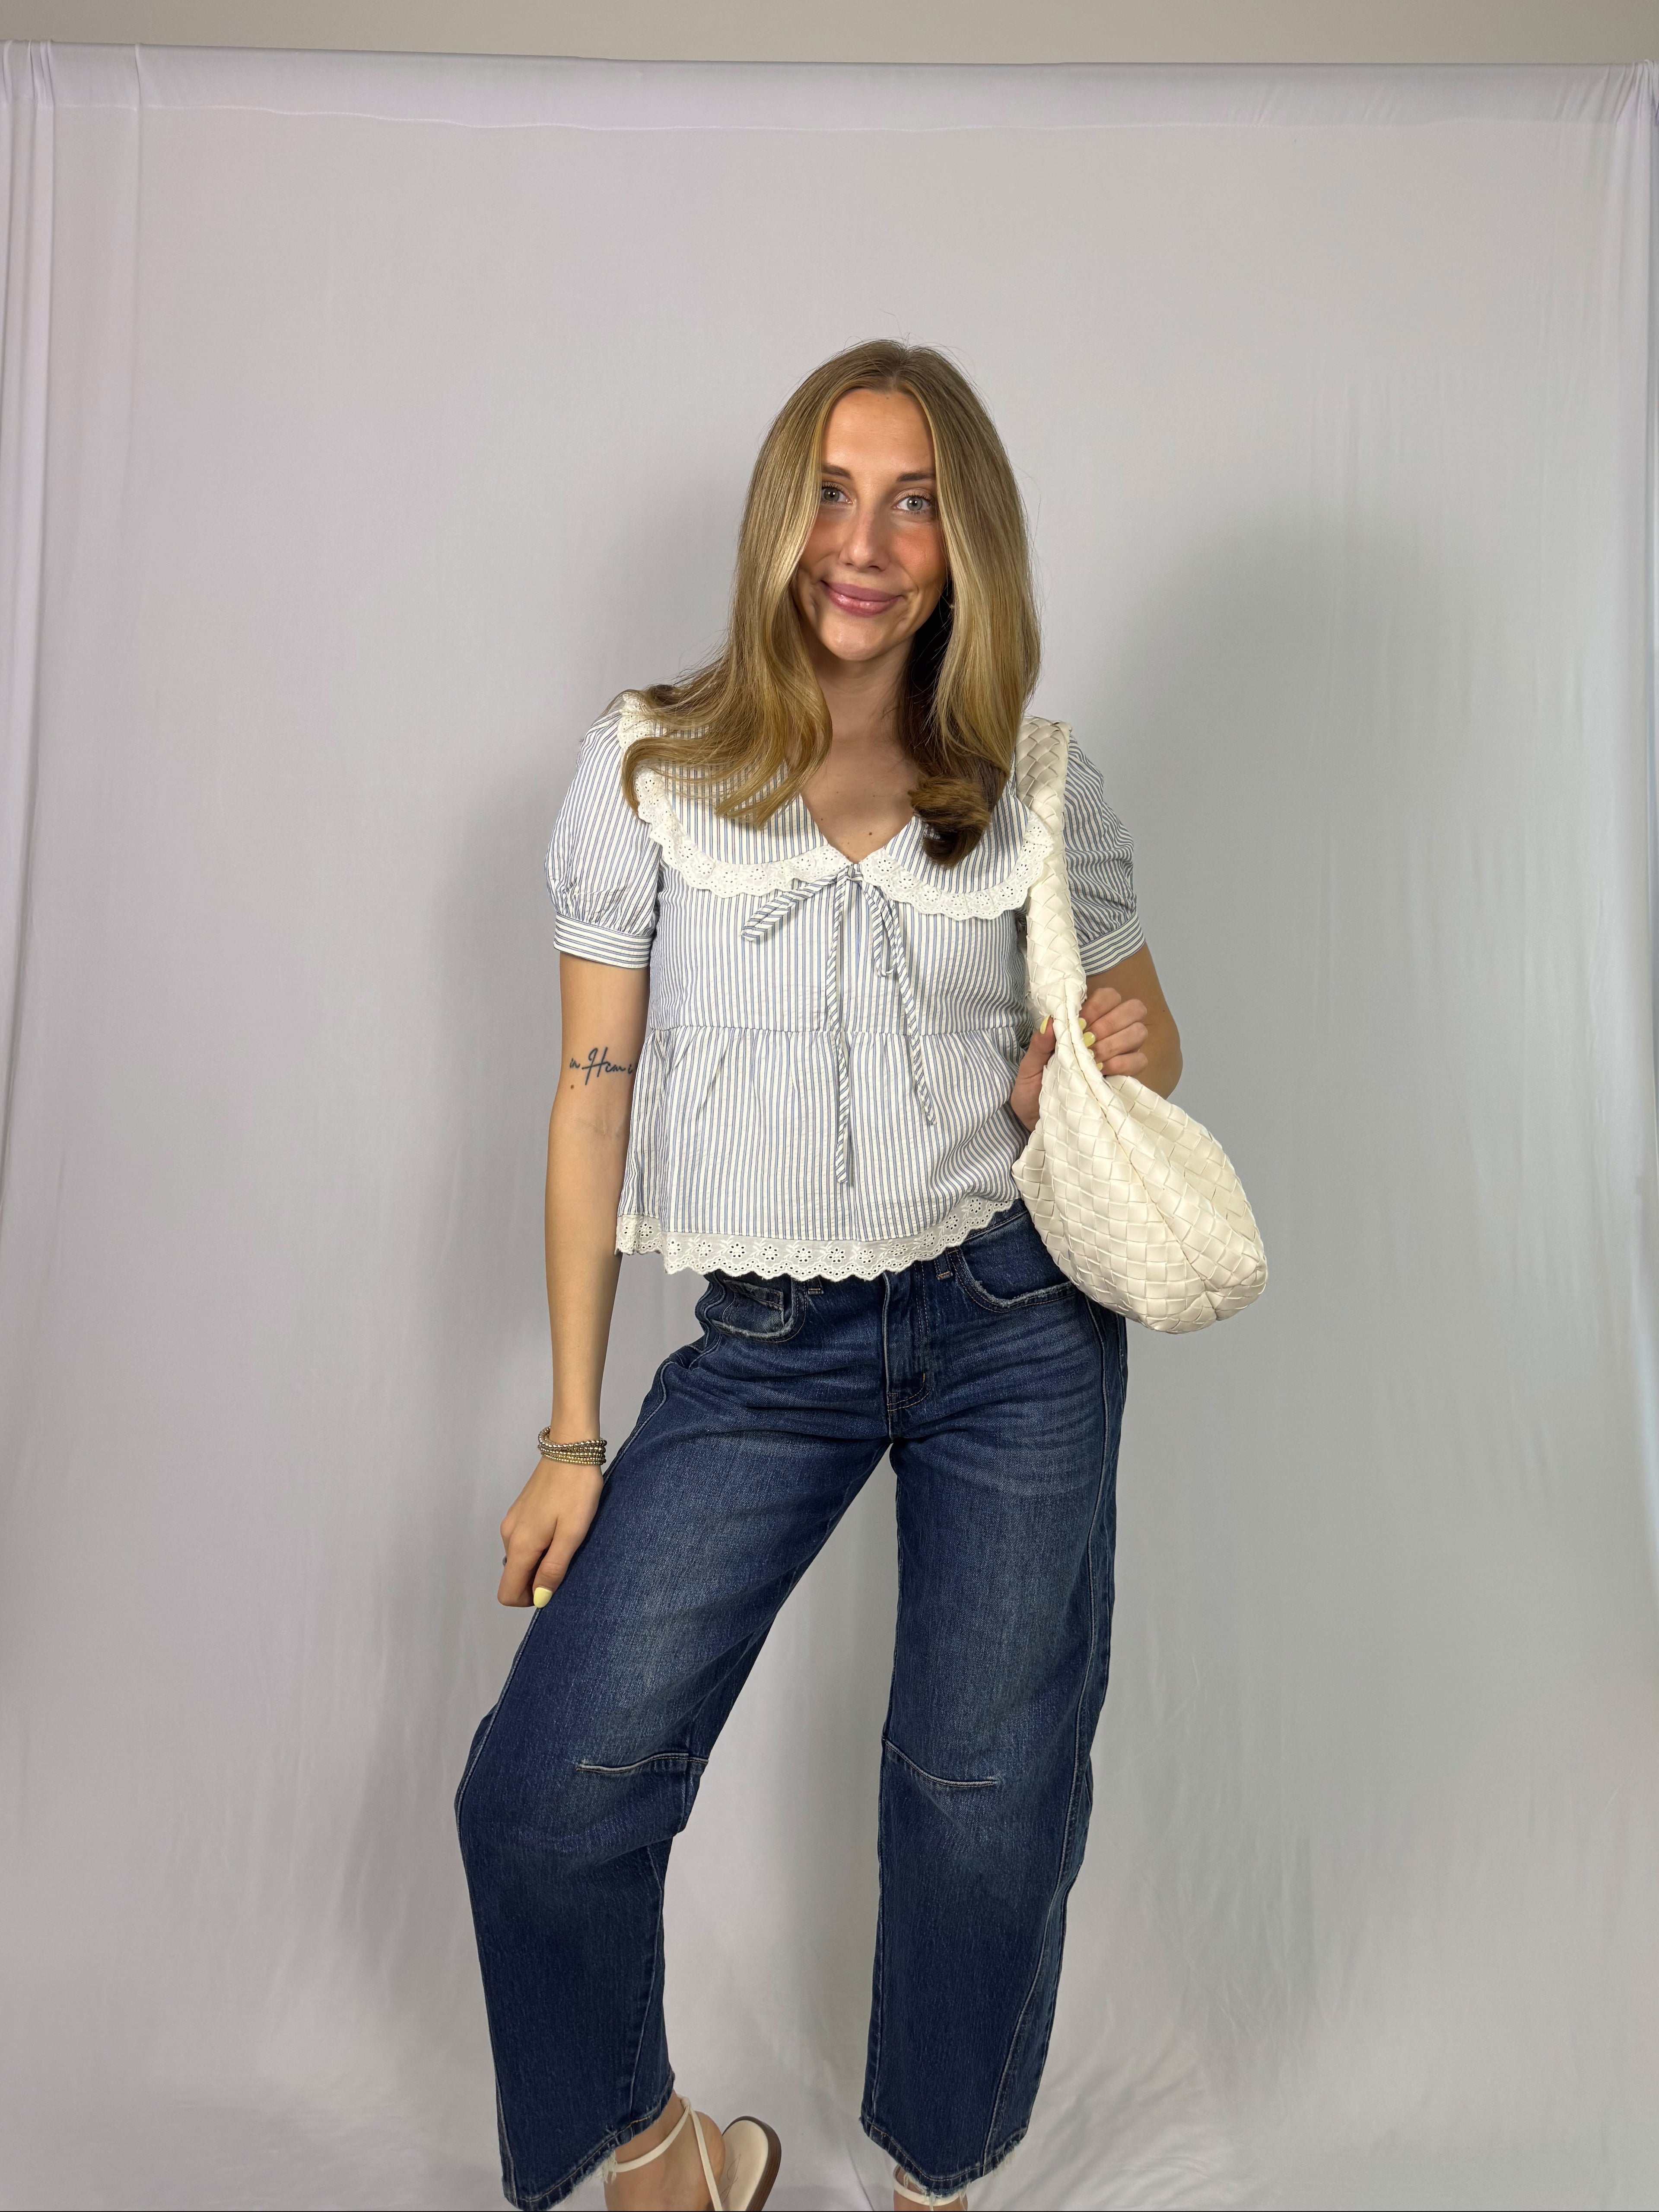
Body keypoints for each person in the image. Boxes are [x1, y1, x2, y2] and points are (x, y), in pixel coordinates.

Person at [454, 338, 1182, 2212]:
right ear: (784, 514)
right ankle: (661, 2148)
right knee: (547, 1791)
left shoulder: (1028, 778)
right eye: (836, 491)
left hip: (1015, 1320)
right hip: (770, 1338)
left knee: (980, 1799)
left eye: (918, 499)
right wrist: (570, 1427)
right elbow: (593, 1092)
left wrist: (1093, 1054)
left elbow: (1147, 1027)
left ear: (968, 542)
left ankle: (935, 2176)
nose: (869, 541)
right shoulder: (655, 761)